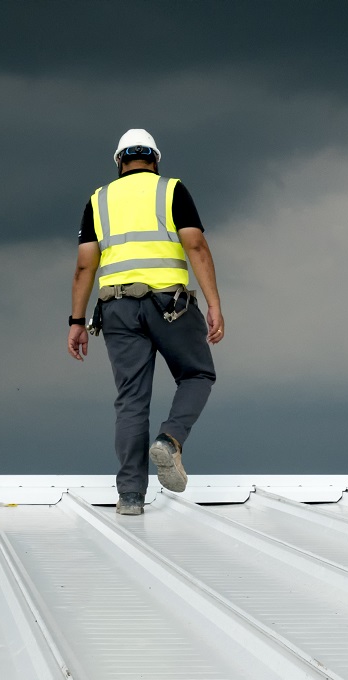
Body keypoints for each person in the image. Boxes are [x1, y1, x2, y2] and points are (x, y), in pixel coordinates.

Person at [67, 129, 224, 515]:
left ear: (119, 162)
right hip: (168, 304)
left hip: (116, 308)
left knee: (131, 401)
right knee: (197, 375)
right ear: (155, 159)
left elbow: (86, 264)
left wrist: (75, 320)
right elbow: (196, 245)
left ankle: (131, 497)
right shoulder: (172, 190)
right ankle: (170, 441)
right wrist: (214, 303)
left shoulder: (98, 200)